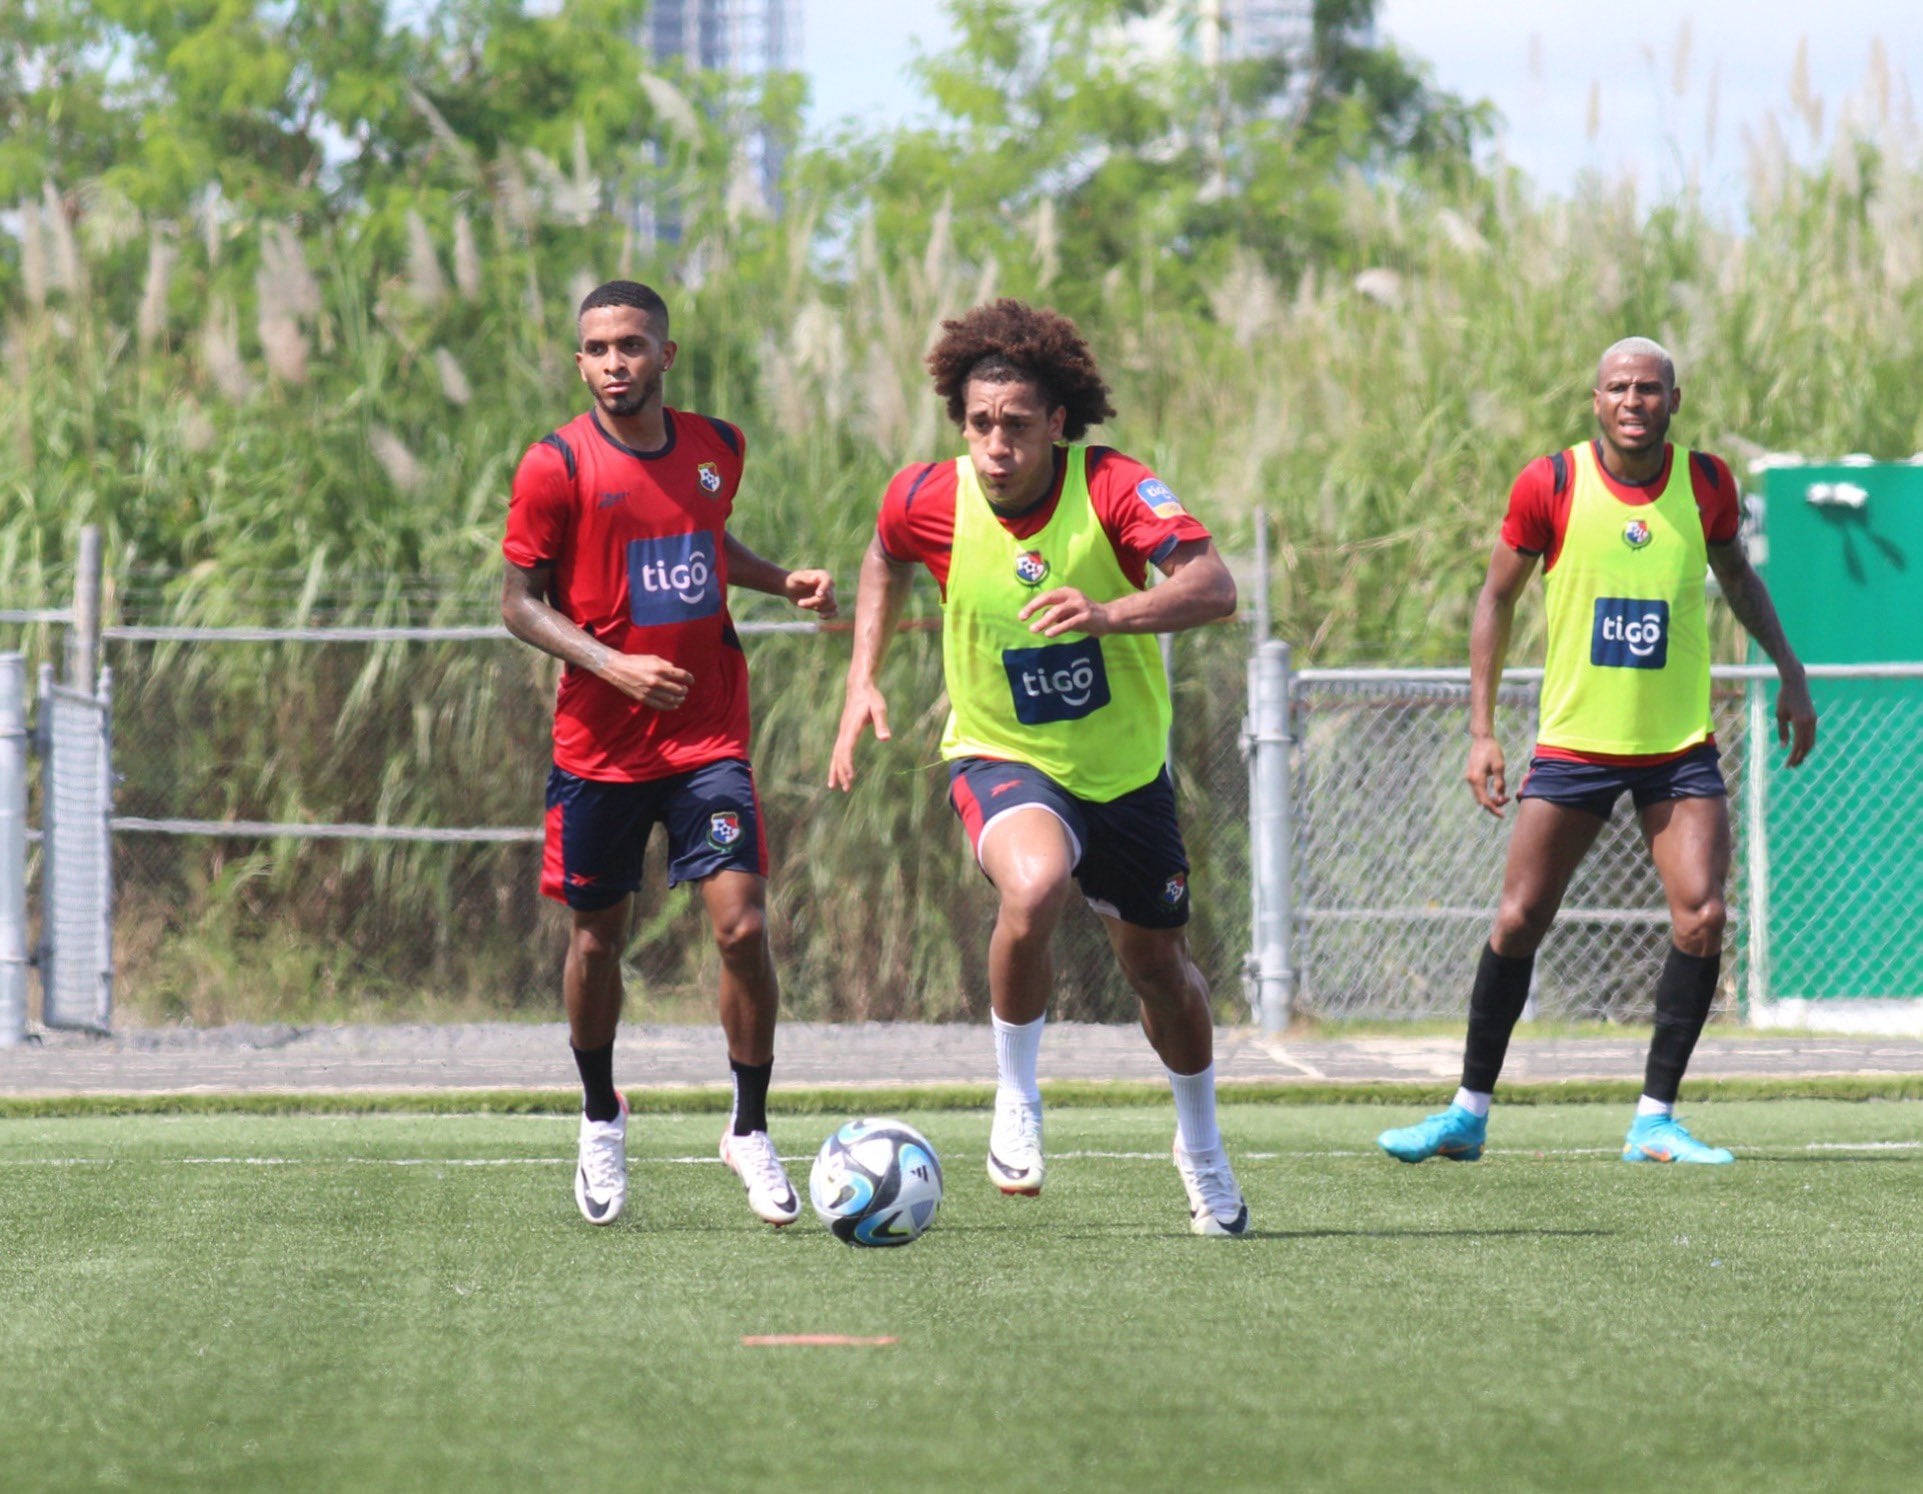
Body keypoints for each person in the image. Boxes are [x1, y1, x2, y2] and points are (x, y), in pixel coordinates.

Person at [829, 298, 1250, 1236]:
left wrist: (1109, 613)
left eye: (1016, 426)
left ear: (1056, 424)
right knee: (1035, 884)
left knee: (1161, 973)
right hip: (1000, 754)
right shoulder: (926, 497)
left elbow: (1213, 586)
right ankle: (1016, 1096)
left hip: (1126, 774)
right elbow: (880, 555)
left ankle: (1201, 1146)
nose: (995, 445)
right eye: (980, 425)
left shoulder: (1113, 489)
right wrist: (862, 680)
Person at [1378, 337, 1818, 1167]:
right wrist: (1480, 732)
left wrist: (1789, 672)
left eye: (1648, 389)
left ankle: (1654, 1119)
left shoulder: (1705, 483)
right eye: (1617, 387)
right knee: (1517, 919)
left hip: (1675, 746)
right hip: (1575, 744)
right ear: (1595, 400)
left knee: (1703, 914)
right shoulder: (1549, 483)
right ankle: (1466, 1112)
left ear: (1672, 402)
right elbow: (1495, 598)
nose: (1632, 401)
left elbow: (1737, 577)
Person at [501, 279, 837, 1227]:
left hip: (706, 735)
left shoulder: (716, 447)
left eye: (633, 345)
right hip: (599, 749)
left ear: (665, 354)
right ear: (581, 362)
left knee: (741, 927)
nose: (616, 362)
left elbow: (700, 538)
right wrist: (615, 666)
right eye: (599, 348)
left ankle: (749, 1127)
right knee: (597, 942)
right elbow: (518, 603)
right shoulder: (554, 465)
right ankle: (602, 1117)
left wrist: (779, 581)